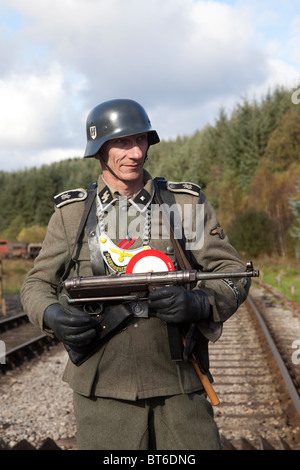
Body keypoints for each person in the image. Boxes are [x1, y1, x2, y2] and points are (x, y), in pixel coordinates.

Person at [21, 99, 251, 450]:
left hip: (179, 382)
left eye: (141, 140)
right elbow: (36, 284)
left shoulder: (183, 205)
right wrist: (51, 314)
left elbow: (233, 274)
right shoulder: (72, 215)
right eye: (122, 142)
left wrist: (201, 304)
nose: (135, 153)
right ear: (99, 151)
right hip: (103, 389)